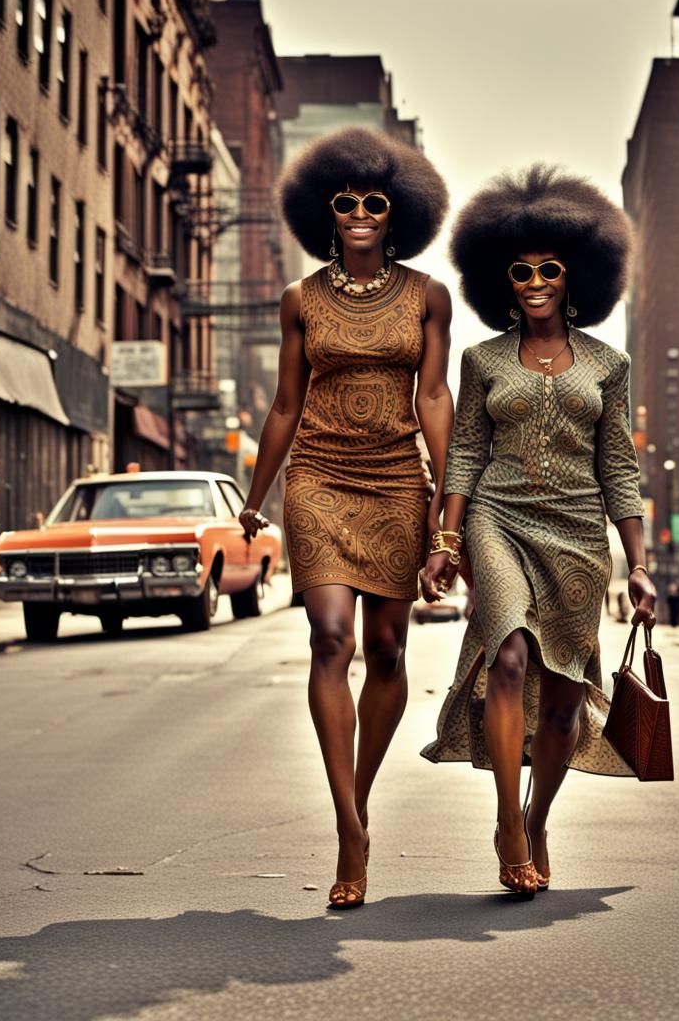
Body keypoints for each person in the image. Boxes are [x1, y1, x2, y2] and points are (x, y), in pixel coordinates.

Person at [421, 165, 657, 898]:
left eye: (548, 269)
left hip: (579, 535)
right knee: (511, 657)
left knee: (561, 698)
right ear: (503, 279)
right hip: (498, 518)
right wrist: (447, 540)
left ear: (575, 274)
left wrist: (640, 564)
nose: (533, 281)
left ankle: (540, 813)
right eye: (519, 271)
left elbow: (618, 465)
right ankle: (506, 824)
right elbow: (463, 450)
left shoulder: (608, 365)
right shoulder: (483, 360)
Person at [239, 128, 453, 910]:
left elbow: (433, 396)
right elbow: (285, 404)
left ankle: (356, 798)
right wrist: (254, 497)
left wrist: (449, 495)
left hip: (399, 479)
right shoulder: (300, 300)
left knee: (389, 653)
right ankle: (349, 831)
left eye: (375, 202)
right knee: (331, 636)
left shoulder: (429, 295)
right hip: (320, 478)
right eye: (345, 202)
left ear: (396, 215)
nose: (360, 213)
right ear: (325, 214)